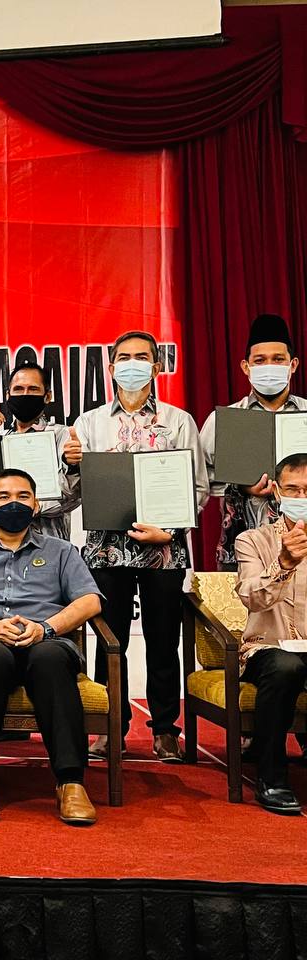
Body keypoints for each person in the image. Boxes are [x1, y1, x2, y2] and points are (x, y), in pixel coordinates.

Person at [0, 469, 103, 824]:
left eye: (23, 496)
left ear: (36, 505)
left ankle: (71, 781)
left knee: (52, 657)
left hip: (43, 640)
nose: (14, 503)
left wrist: (46, 629)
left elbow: (89, 601)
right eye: (4, 497)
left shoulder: (62, 552)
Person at [67, 330, 207, 762]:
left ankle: (165, 730)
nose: (133, 364)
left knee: (163, 642)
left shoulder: (179, 420)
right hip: (106, 550)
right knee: (110, 642)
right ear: (111, 368)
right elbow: (73, 493)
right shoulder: (89, 423)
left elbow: (197, 487)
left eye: (142, 357)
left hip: (165, 549)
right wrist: (70, 466)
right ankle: (110, 727)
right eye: (124, 357)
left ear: (157, 366)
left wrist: (172, 530)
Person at [233, 452, 307, 815]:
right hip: (267, 648)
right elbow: (251, 597)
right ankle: (272, 776)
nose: (301, 498)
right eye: (293, 489)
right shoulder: (252, 540)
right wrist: (284, 565)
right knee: (286, 666)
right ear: (276, 491)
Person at [201, 314, 306, 570]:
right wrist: (240, 485)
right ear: (246, 367)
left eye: (278, 359)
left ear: (293, 365)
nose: (269, 366)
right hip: (242, 547)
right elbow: (200, 479)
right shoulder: (222, 420)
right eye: (260, 360)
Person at [0, 360, 80, 540]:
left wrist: (73, 467)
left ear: (47, 396)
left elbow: (73, 496)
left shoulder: (63, 436)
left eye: (33, 389)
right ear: (8, 395)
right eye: (18, 389)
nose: (25, 395)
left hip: (48, 541)